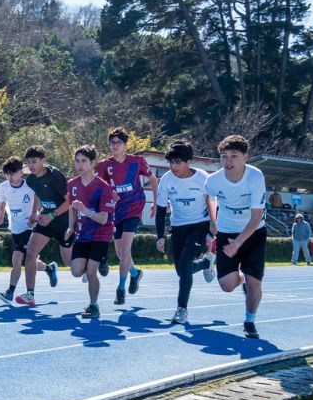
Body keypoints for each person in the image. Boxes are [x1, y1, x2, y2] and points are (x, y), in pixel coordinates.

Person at [205, 135, 267, 339]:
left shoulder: (255, 178)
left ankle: (250, 321)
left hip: (254, 232)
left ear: (245, 157)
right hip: (226, 232)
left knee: (254, 283)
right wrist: (213, 224)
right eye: (224, 157)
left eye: (234, 156)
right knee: (227, 285)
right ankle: (242, 277)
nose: (228, 161)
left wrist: (238, 243)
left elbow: (257, 217)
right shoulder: (213, 181)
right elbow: (209, 197)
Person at [153, 140, 216, 325]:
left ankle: (182, 309)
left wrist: (212, 230)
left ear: (189, 161)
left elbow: (212, 204)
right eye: (170, 162)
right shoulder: (166, 180)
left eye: (177, 162)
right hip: (178, 227)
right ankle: (206, 263)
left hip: (199, 225)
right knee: (181, 271)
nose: (173, 167)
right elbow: (161, 210)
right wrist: (160, 236)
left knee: (186, 263)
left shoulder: (203, 178)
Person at [96, 127, 158, 305]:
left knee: (124, 250)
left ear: (125, 145)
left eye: (118, 142)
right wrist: (109, 196)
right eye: (112, 142)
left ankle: (120, 288)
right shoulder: (103, 166)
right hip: (117, 211)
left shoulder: (137, 161)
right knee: (119, 252)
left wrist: (155, 202)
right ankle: (135, 273)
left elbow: (152, 179)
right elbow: (100, 188)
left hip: (134, 208)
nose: (114, 145)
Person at [67, 145, 117, 319]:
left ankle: (93, 306)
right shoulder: (72, 184)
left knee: (90, 271)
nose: (80, 165)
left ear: (93, 163)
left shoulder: (103, 188)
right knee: (76, 271)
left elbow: (104, 219)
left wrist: (86, 210)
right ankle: (102, 260)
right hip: (83, 235)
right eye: (77, 161)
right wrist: (70, 227)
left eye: (84, 161)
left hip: (101, 234)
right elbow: (72, 209)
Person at [17, 145, 71, 305]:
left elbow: (69, 201)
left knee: (71, 265)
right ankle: (30, 294)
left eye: (34, 161)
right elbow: (38, 196)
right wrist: (36, 214)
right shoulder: (31, 180)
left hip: (63, 221)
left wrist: (51, 215)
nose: (31, 166)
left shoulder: (54, 176)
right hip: (46, 220)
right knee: (31, 254)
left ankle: (90, 262)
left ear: (43, 161)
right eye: (28, 162)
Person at [0, 157, 38, 305]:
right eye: (7, 174)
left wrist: (34, 214)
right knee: (28, 260)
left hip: (29, 227)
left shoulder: (30, 185)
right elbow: (2, 204)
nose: (10, 177)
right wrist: (0, 217)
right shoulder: (3, 187)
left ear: (21, 173)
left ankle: (9, 293)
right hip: (15, 227)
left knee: (17, 258)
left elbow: (38, 198)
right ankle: (50, 269)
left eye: (12, 174)